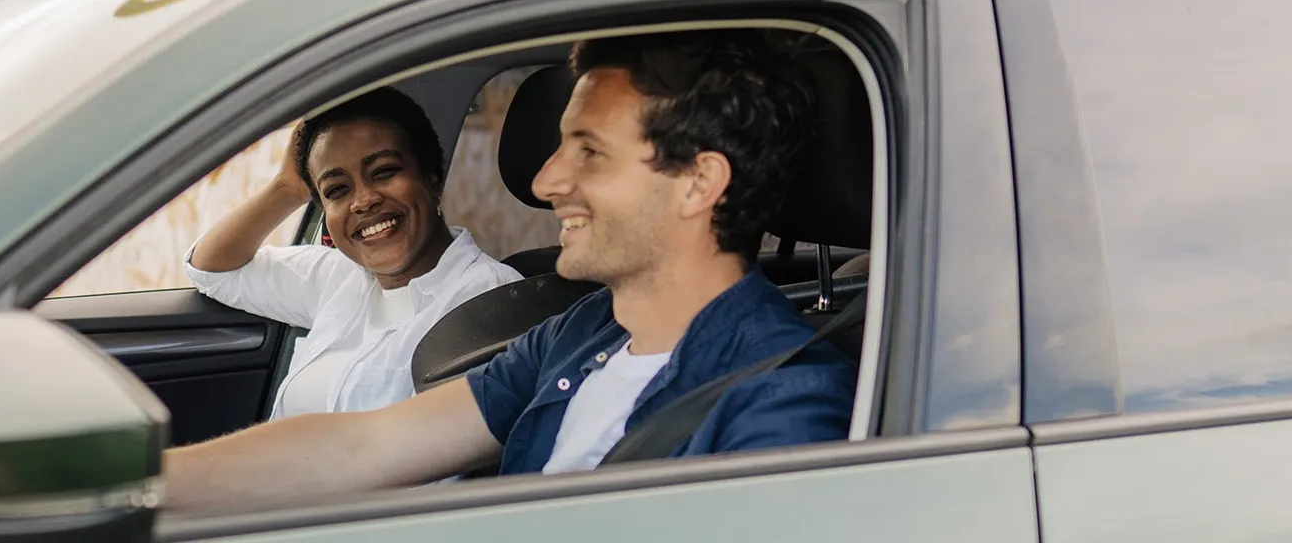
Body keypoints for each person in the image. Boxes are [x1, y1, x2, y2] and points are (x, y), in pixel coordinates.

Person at [163, 29, 858, 507]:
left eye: (587, 151)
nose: (548, 179)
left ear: (697, 182)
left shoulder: (784, 407)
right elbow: (364, 446)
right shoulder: (584, 333)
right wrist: (135, 486)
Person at [188, 87, 522, 419]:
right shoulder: (336, 276)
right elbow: (214, 270)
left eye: (383, 171)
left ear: (432, 179)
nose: (363, 201)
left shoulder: (491, 298)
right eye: (337, 190)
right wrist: (286, 189)